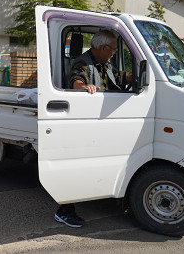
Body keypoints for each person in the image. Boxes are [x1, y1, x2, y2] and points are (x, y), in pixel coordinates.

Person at [54, 30, 131, 228]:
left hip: (104, 121)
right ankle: (64, 211)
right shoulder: (83, 63)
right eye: (113, 49)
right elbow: (76, 80)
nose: (114, 53)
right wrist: (84, 87)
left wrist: (140, 75)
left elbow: (119, 78)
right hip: (86, 122)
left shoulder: (104, 63)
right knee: (76, 165)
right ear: (103, 48)